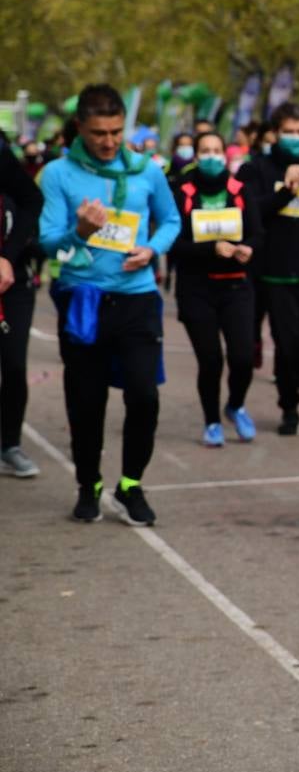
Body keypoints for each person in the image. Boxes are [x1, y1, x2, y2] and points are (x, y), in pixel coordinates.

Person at [38, 83, 182, 525]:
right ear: (80, 127)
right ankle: (89, 483)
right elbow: (47, 243)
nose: (108, 142)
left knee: (143, 396)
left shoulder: (147, 170)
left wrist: (152, 249)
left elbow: (172, 219)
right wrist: (78, 231)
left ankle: (130, 485)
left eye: (116, 132)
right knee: (87, 400)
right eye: (99, 132)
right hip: (84, 299)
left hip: (137, 298)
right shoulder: (59, 174)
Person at [237, 102, 299, 435]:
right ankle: (289, 407)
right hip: (276, 270)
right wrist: (286, 192)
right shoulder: (257, 169)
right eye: (288, 132)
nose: (295, 138)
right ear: (275, 134)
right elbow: (250, 211)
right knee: (287, 343)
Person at [169, 130, 261, 447]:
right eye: (204, 151)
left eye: (216, 150)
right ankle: (211, 422)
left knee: (243, 358)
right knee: (210, 360)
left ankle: (235, 405)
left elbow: (257, 234)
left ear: (225, 154)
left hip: (236, 287)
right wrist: (210, 249)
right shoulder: (182, 191)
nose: (211, 156)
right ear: (196, 156)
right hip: (196, 290)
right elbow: (174, 244)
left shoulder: (239, 191)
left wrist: (247, 248)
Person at [0, 127, 43, 478]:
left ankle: (9, 445)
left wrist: (8, 256)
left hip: (12, 285)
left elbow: (32, 201)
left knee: (13, 365)